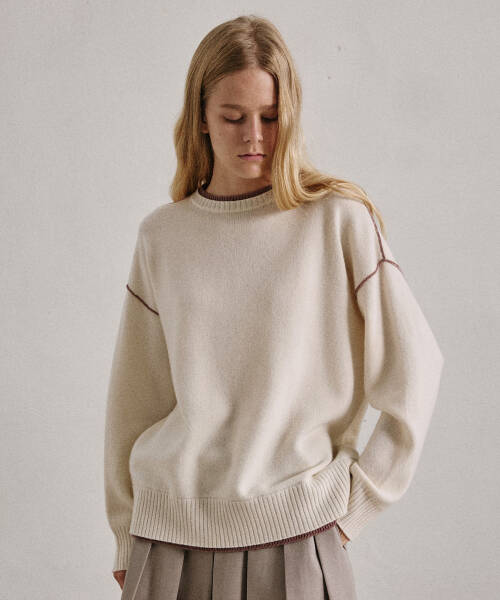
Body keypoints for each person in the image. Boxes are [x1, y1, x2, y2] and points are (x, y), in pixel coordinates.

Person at [104, 14, 444, 600]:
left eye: (269, 116)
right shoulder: (162, 237)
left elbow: (417, 368)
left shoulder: (338, 221)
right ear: (201, 118)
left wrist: (358, 504)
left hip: (298, 536)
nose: (254, 136)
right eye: (233, 117)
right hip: (167, 542)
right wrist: (124, 534)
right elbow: (134, 402)